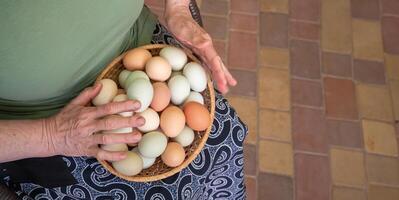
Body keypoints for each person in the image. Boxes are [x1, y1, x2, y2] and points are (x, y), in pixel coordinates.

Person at [0, 0, 248, 199]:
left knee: (221, 134)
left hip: (137, 49)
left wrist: (178, 8)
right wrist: (49, 135)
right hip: (44, 127)